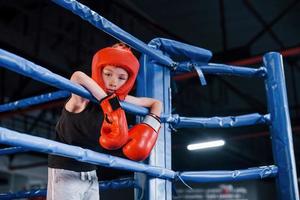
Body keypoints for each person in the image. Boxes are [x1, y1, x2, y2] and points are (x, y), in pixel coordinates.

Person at [47, 43, 162, 200]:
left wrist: (151, 126)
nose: (114, 82)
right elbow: (77, 76)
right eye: (108, 74)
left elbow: (156, 103)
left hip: (91, 172)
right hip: (65, 171)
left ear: (128, 80)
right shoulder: (82, 98)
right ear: (99, 71)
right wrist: (106, 102)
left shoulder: (120, 100)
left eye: (122, 78)